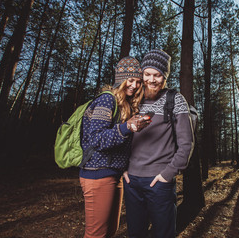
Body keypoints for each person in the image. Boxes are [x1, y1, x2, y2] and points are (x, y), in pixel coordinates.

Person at [123, 49, 194, 238]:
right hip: (131, 182)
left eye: (157, 75)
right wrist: (124, 168)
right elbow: (123, 137)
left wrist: (167, 174)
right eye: (147, 74)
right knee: (135, 234)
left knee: (164, 234)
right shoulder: (133, 100)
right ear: (142, 74)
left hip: (159, 182)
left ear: (165, 77)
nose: (152, 80)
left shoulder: (175, 100)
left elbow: (186, 144)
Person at [80, 56, 150, 238]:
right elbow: (96, 139)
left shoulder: (125, 104)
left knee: (110, 231)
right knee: (96, 234)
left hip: (114, 174)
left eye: (137, 82)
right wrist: (126, 127)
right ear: (120, 79)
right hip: (97, 173)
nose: (134, 86)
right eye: (130, 80)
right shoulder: (107, 100)